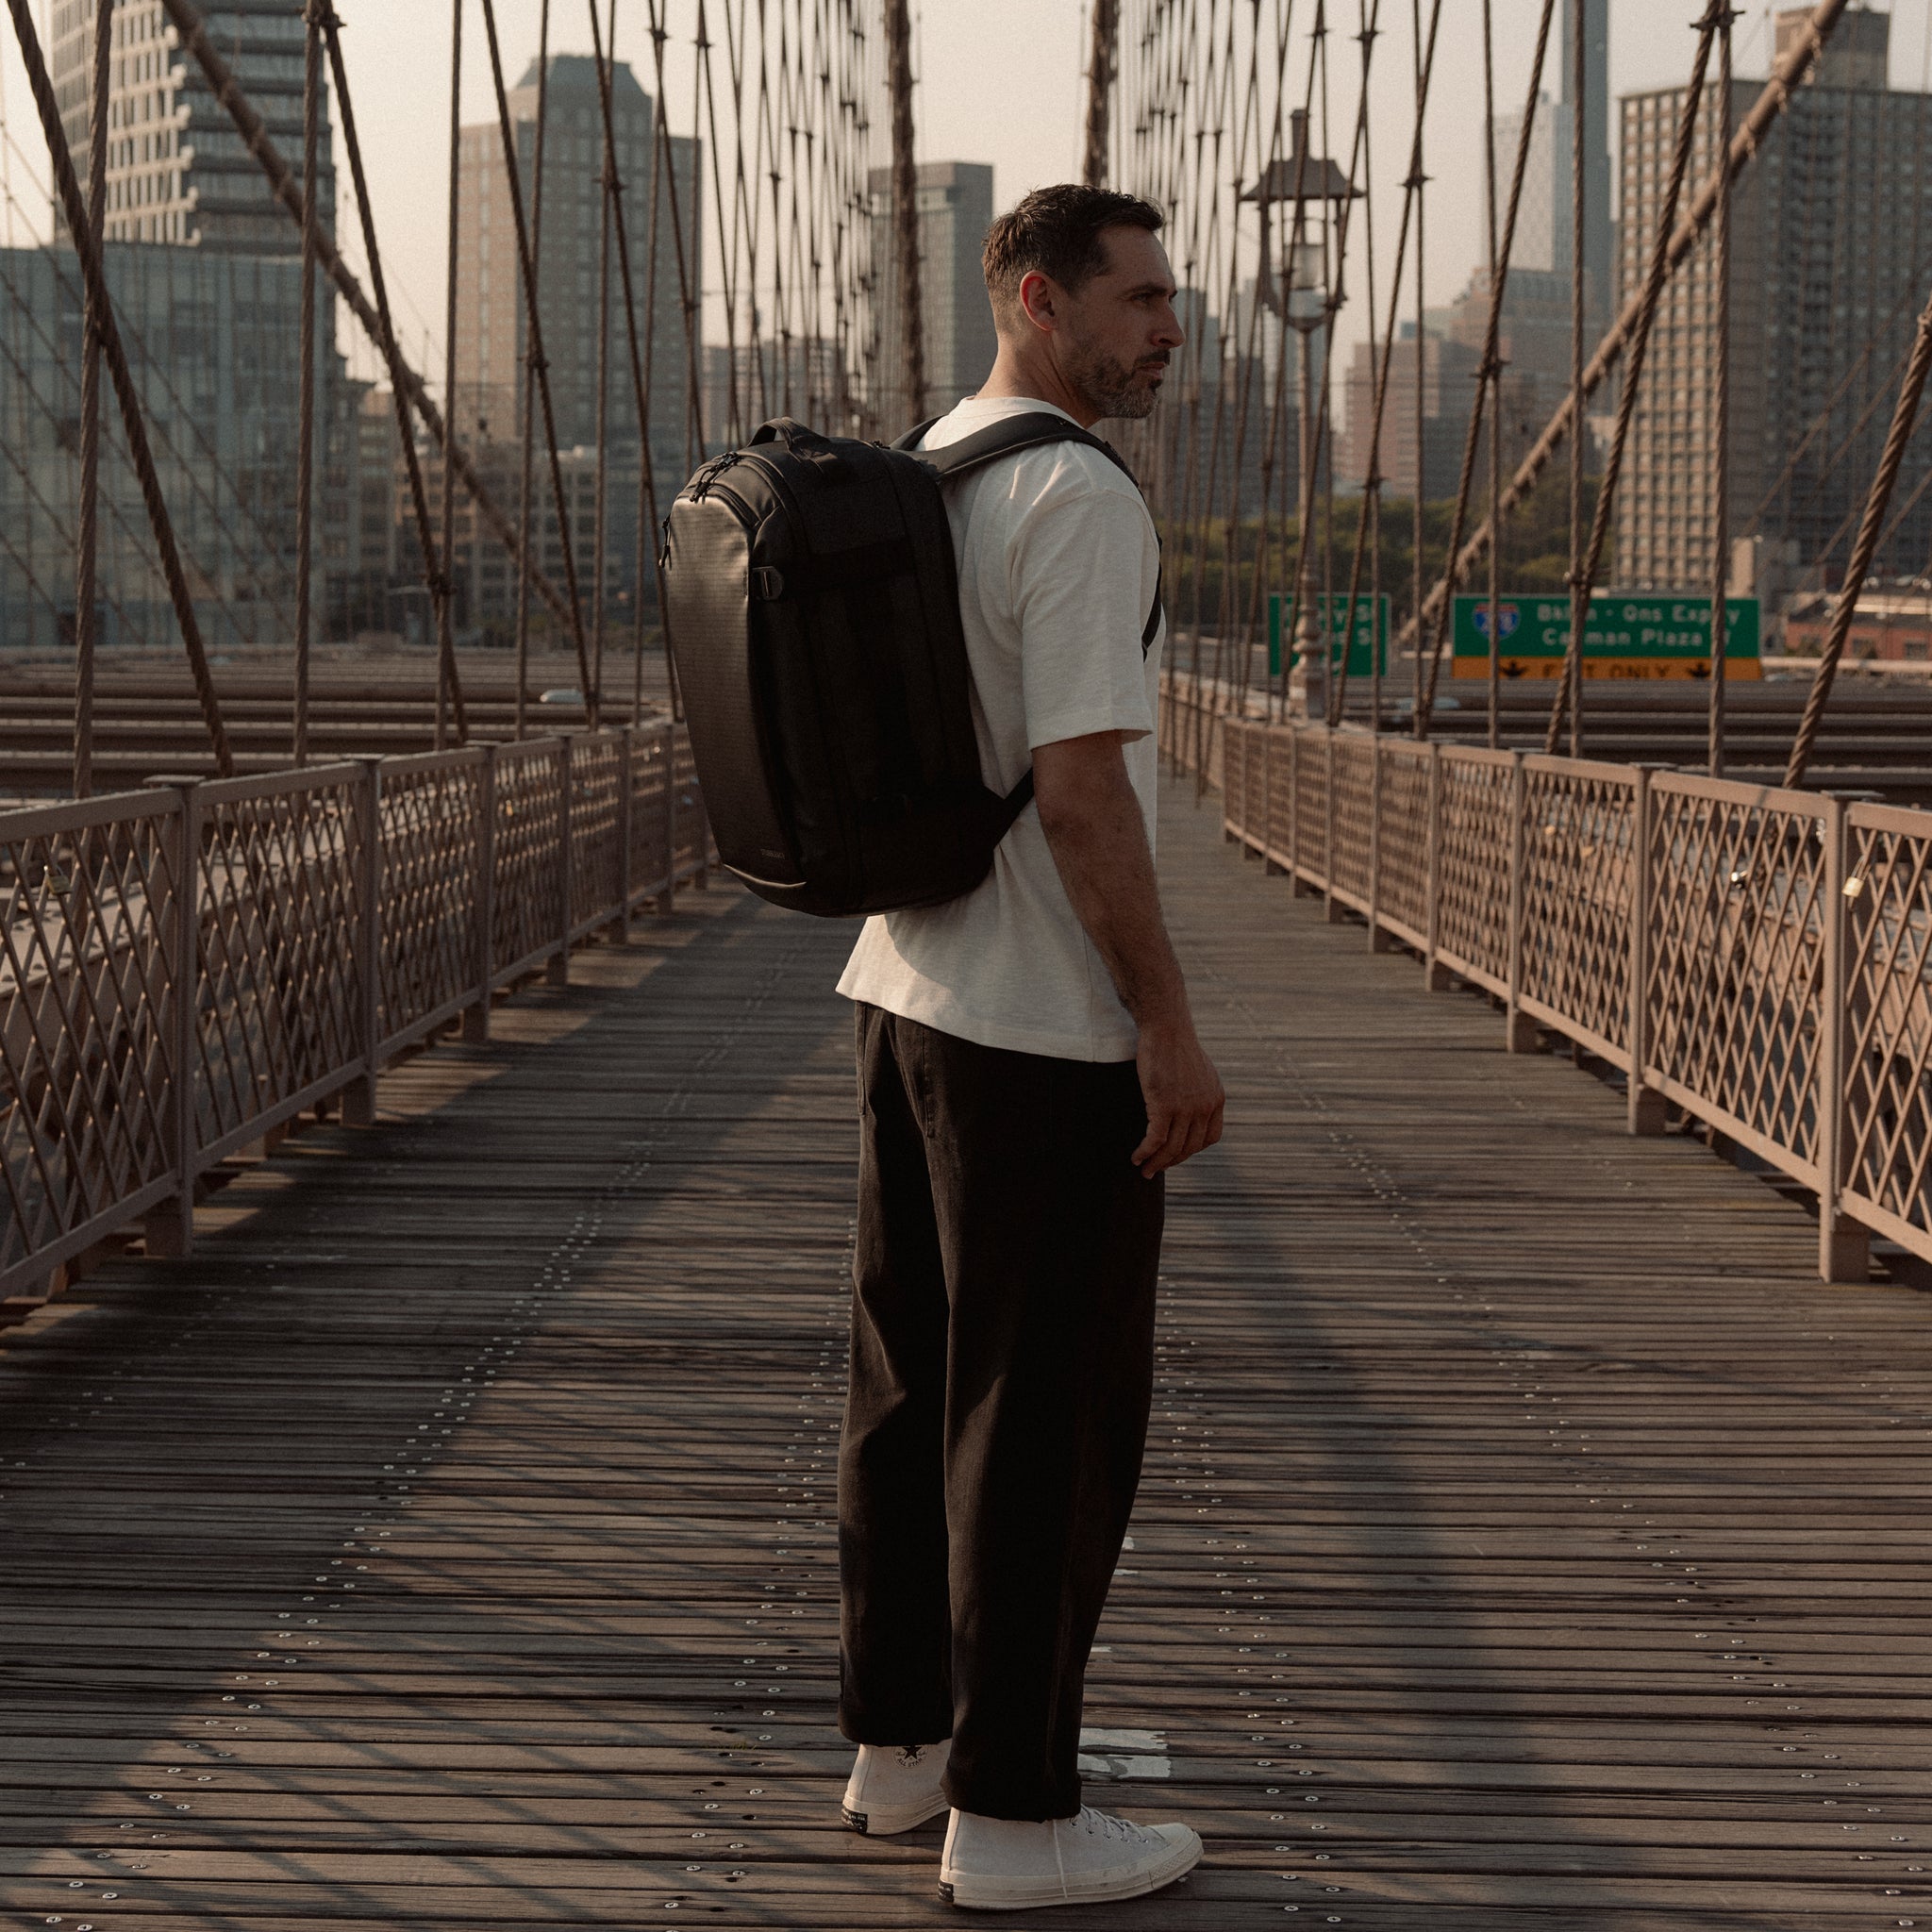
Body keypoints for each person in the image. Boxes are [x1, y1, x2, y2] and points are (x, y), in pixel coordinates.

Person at [833, 183, 1226, 1910]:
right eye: (1136, 299)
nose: (1167, 330)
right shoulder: (1075, 496)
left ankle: (904, 1747)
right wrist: (1166, 1023)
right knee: (1044, 1417)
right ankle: (1014, 1818)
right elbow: (1082, 791)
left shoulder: (938, 465)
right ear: (1033, 298)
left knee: (911, 1385)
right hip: (1038, 1030)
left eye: (1171, 302)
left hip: (905, 986)